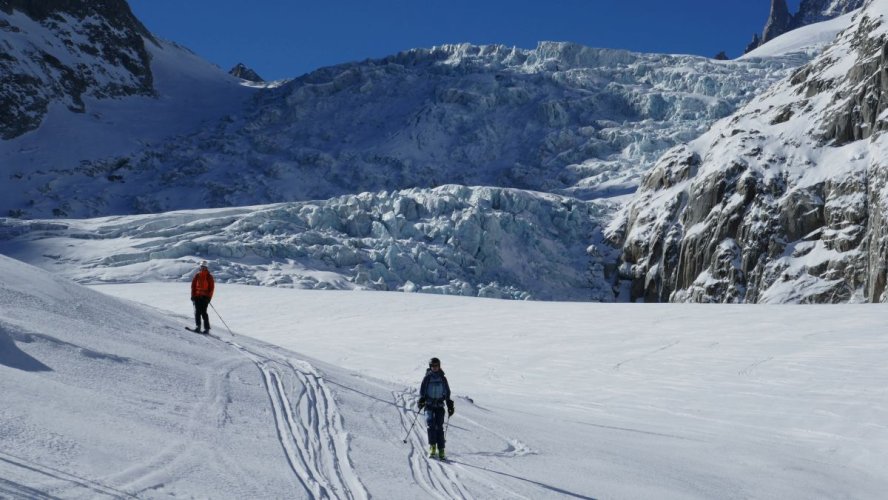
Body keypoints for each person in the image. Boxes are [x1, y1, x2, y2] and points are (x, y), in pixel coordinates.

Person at [418, 357, 454, 460]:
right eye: (432, 366)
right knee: (430, 424)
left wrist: (449, 403)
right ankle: (432, 447)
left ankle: (441, 449)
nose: (434, 368)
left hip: (439, 405)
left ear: (439, 366)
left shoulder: (443, 378)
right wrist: (422, 400)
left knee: (439, 426)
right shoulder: (427, 378)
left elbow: (447, 392)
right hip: (429, 405)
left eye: (436, 366)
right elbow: (422, 391)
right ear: (430, 367)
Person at [191, 260, 215, 333]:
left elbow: (211, 288)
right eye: (202, 267)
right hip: (197, 296)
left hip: (205, 297)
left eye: (204, 267)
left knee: (204, 312)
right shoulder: (197, 275)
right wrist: (193, 295)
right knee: (197, 312)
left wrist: (209, 297)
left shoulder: (209, 276)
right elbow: (193, 286)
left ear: (206, 267)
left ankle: (207, 328)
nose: (203, 268)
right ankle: (198, 326)